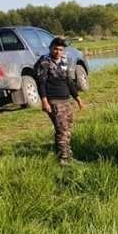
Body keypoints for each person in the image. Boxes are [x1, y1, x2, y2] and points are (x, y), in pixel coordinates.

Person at [36, 37, 84, 165]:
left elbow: (69, 81)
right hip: (54, 100)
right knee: (62, 129)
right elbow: (41, 83)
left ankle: (67, 155)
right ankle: (64, 160)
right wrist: (44, 102)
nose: (58, 52)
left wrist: (78, 98)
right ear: (50, 48)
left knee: (68, 128)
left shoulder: (64, 61)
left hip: (65, 99)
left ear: (64, 51)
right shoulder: (44, 62)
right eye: (55, 49)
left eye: (60, 49)